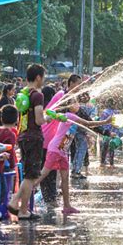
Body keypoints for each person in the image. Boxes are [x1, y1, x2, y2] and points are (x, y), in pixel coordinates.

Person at [34, 103, 112, 214]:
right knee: (44, 173)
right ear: (69, 106)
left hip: (63, 151)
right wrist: (105, 122)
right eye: (74, 103)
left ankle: (67, 206)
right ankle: (27, 195)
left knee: (65, 179)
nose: (77, 105)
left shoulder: (65, 116)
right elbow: (88, 123)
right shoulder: (70, 116)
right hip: (56, 149)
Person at [7, 64, 48, 220]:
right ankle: (15, 201)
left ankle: (24, 210)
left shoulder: (23, 93)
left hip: (23, 136)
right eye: (43, 77)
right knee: (31, 176)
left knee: (28, 175)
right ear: (38, 77)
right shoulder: (38, 95)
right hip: (34, 137)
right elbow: (38, 120)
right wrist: (47, 118)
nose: (43, 80)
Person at [40, 74, 81, 204]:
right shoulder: (62, 95)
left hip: (58, 143)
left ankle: (52, 198)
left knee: (53, 172)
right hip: (49, 138)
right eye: (78, 84)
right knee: (46, 172)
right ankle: (39, 196)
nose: (80, 87)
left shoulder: (70, 99)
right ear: (71, 83)